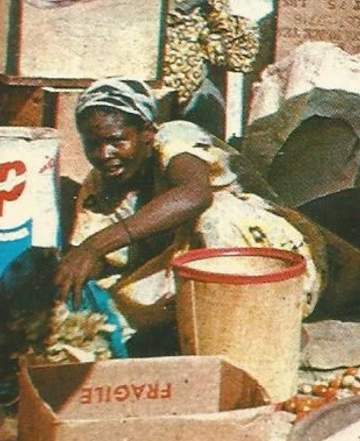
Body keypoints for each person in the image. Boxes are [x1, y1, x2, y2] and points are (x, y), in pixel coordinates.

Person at [53, 78, 322, 338]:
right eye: (93, 144)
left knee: (216, 214)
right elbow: (105, 262)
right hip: (200, 279)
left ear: (147, 132)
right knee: (109, 303)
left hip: (277, 261)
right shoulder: (99, 186)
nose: (104, 154)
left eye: (116, 140)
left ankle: (255, 327)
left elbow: (194, 194)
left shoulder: (175, 137)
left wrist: (94, 246)